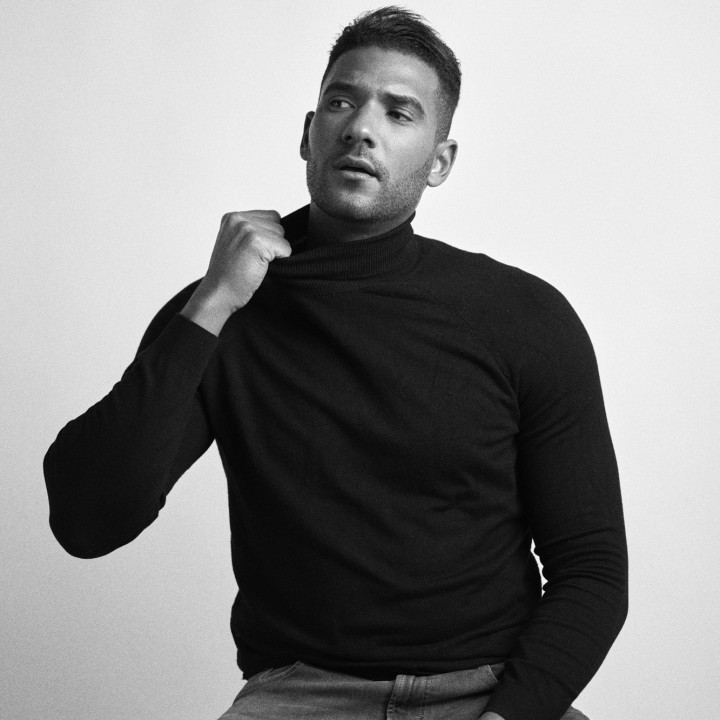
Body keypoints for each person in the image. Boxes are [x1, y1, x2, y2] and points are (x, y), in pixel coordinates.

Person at [44, 7, 628, 720]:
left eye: (399, 113)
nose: (361, 129)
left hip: (494, 687)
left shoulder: (523, 317)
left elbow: (592, 568)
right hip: (301, 694)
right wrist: (211, 303)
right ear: (308, 133)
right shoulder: (223, 310)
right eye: (342, 102)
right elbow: (89, 520)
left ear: (439, 162)